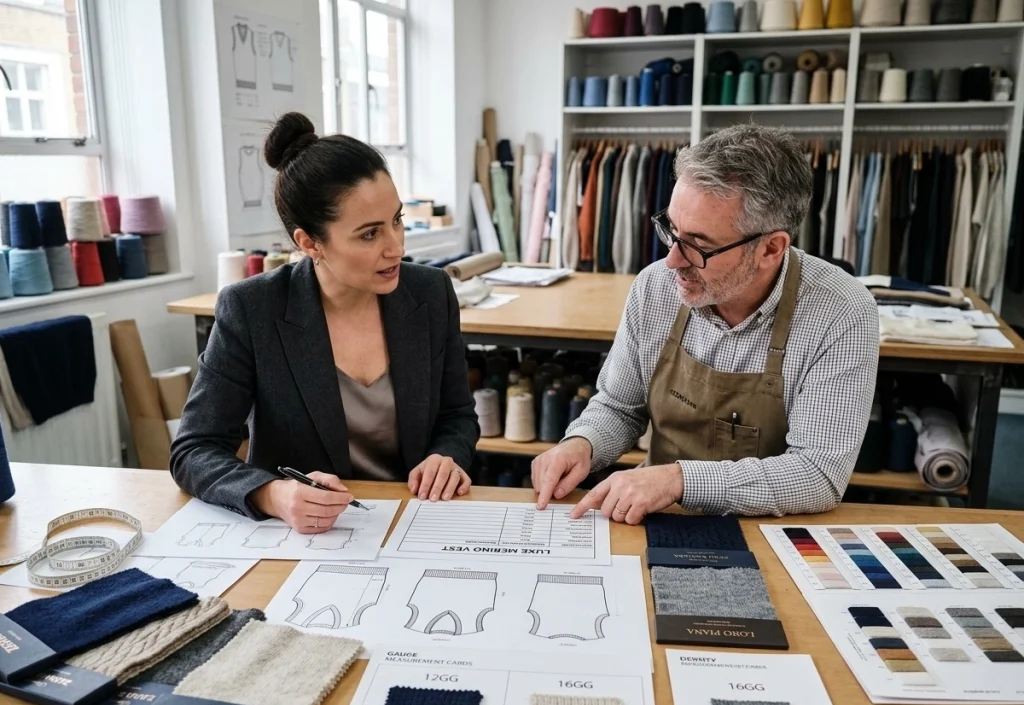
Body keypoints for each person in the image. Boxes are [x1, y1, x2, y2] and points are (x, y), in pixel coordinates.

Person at [532, 124, 878, 523]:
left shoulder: (841, 312)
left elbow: (817, 474)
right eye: (672, 231)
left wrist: (679, 481)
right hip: (659, 519)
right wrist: (582, 443)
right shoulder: (655, 288)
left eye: (699, 245)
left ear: (770, 248)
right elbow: (619, 407)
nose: (673, 261)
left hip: (769, 531)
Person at [171, 112, 479, 533]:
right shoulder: (252, 309)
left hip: (415, 523)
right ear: (309, 242)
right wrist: (271, 493)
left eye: (397, 220)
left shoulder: (429, 293)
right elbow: (194, 449)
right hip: (309, 536)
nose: (395, 247)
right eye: (369, 234)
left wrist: (448, 454)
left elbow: (458, 414)